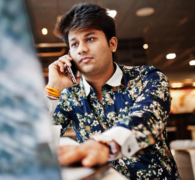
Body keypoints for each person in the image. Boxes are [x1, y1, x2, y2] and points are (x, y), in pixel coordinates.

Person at [43, 3, 180, 179]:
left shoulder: (148, 77)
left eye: (90, 39)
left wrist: (103, 145)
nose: (82, 49)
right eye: (74, 44)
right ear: (69, 54)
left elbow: (148, 119)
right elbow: (37, 137)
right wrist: (53, 90)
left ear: (112, 44)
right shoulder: (70, 95)